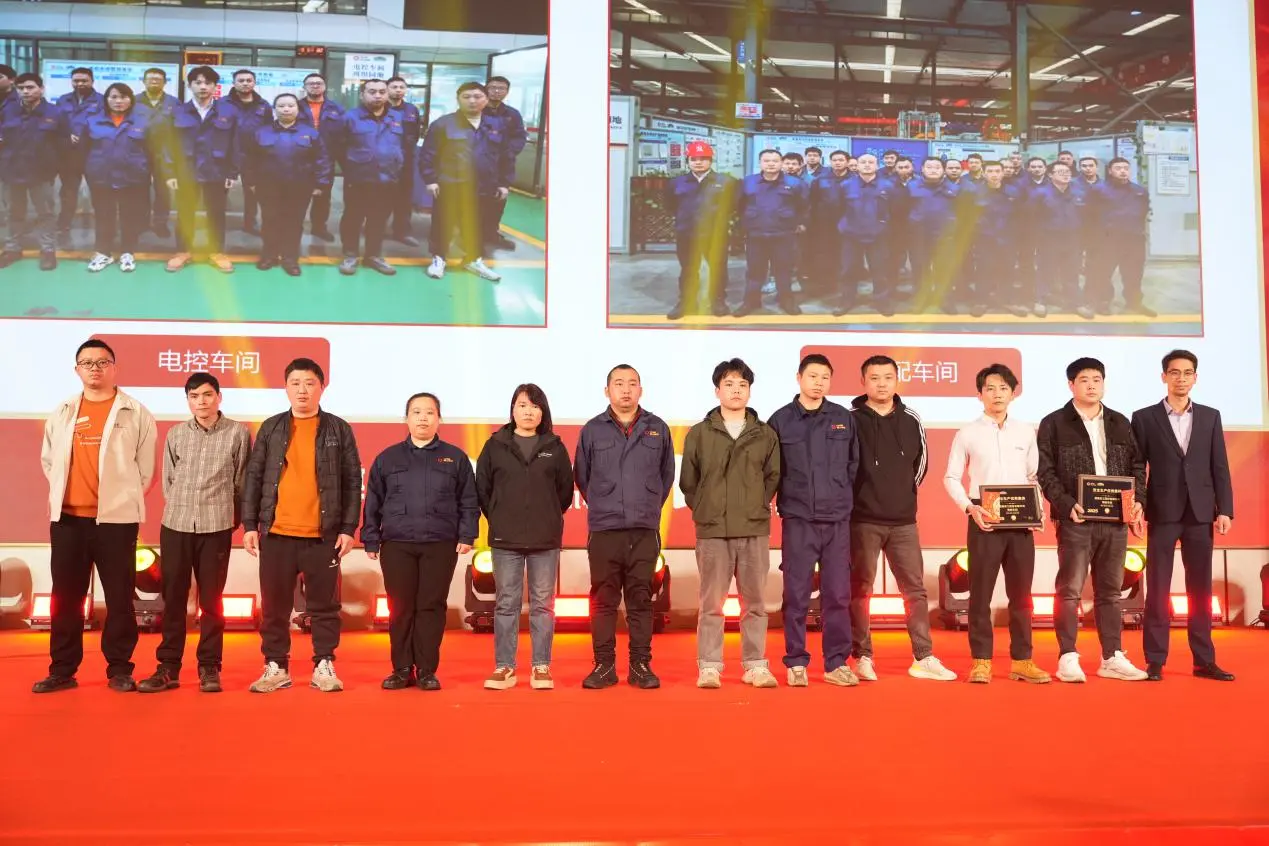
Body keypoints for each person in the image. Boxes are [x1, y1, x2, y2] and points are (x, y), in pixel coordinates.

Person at [33, 339, 157, 694]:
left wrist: (121, 500)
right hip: (68, 520)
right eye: (87, 363)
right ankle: (62, 670)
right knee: (65, 599)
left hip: (116, 523)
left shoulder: (136, 412)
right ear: (77, 370)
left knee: (119, 598)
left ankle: (119, 669)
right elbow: (49, 461)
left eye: (102, 362)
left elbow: (145, 470)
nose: (95, 369)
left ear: (114, 368)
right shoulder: (63, 411)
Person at [241, 357, 362, 694]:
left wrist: (348, 528)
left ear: (322, 387)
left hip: (323, 536)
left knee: (324, 607)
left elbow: (352, 481)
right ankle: (276, 665)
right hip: (277, 533)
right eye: (295, 383)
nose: (302, 390)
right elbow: (254, 477)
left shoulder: (338, 429)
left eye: (309, 383)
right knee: (275, 607)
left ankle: (324, 663)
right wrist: (250, 524)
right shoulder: (271, 428)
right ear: (286, 388)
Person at [137, 373, 250, 695]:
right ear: (188, 400)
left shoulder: (238, 433)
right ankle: (168, 667)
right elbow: (169, 480)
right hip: (177, 524)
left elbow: (241, 481)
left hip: (216, 525)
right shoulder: (176, 433)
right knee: (173, 598)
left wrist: (231, 517)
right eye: (194, 396)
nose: (202, 401)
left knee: (212, 601)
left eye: (207, 394)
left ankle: (209, 666)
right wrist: (183, 507)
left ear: (219, 397)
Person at [1037, 358, 1148, 683]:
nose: (1091, 385)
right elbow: (1045, 471)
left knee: (1110, 592)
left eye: (1097, 379)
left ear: (1104, 383)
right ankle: (1068, 657)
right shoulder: (1054, 422)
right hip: (1076, 519)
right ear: (1071, 385)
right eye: (1084, 380)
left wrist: (1137, 502)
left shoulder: (1119, 421)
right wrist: (1065, 504)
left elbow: (1137, 466)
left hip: (1115, 520)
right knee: (1069, 590)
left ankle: (1112, 656)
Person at [362, 392, 479, 691]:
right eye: (416, 412)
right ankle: (401, 669)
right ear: (406, 418)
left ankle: (427, 670)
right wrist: (371, 538)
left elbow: (468, 500)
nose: (423, 418)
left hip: (440, 543)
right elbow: (373, 501)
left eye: (429, 412)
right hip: (397, 544)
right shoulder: (388, 458)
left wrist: (467, 534)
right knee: (400, 607)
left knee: (431, 606)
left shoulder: (455, 458)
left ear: (439, 418)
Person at [850, 355, 956, 682]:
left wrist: (902, 493)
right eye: (874, 378)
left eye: (887, 377)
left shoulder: (911, 419)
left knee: (914, 591)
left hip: (903, 522)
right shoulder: (850, 419)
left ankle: (923, 656)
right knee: (859, 590)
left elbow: (920, 466)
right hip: (862, 520)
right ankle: (862, 656)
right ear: (863, 382)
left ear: (896, 380)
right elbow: (844, 466)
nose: (881, 384)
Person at [1131, 350, 1235, 683]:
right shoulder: (1144, 418)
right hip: (1162, 511)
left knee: (1200, 590)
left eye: (1187, 373)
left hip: (1201, 512)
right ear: (1164, 376)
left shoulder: (1210, 416)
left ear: (1195, 378)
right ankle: (1155, 660)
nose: (1181, 378)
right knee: (1158, 588)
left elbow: (1219, 465)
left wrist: (1225, 509)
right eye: (1174, 372)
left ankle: (1204, 660)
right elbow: (1137, 467)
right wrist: (1137, 504)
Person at [944, 364, 1050, 685]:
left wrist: (1038, 509)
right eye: (990, 388)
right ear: (980, 394)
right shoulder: (967, 433)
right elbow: (951, 477)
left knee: (1022, 597)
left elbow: (1034, 476)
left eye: (1003, 388)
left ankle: (1022, 661)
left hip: (1021, 521)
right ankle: (981, 661)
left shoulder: (1025, 431)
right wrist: (969, 507)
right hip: (984, 518)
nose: (997, 394)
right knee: (980, 595)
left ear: (1013, 393)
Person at [680, 358, 781, 689]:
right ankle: (709, 665)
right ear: (717, 391)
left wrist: (756, 504)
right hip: (713, 531)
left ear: (750, 391)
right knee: (711, 604)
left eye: (742, 385)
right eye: (729, 384)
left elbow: (773, 477)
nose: (736, 390)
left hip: (753, 529)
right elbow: (689, 482)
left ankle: (755, 664)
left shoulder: (765, 434)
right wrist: (706, 508)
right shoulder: (699, 433)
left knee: (755, 604)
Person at [574, 365, 675, 689]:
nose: (626, 389)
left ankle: (640, 665)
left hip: (644, 529)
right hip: (605, 530)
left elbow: (666, 476)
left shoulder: (657, 428)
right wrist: (606, 503)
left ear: (641, 390)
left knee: (640, 599)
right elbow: (583, 477)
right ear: (608, 391)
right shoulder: (592, 430)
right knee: (603, 600)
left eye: (632, 383)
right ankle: (604, 666)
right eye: (619, 384)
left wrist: (645, 505)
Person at [767, 354, 859, 687]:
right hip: (799, 520)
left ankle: (836, 662)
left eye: (825, 377)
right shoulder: (780, 420)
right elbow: (772, 470)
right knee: (796, 595)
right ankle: (796, 661)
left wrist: (841, 500)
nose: (819, 383)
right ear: (799, 378)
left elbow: (853, 466)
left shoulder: (842, 418)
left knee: (837, 595)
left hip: (836, 521)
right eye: (813, 376)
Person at [476, 383, 574, 691]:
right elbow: (483, 490)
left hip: (545, 539)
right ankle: (504, 667)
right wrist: (501, 516)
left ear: (543, 412)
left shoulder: (554, 447)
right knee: (506, 603)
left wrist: (545, 516)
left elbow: (564, 493)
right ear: (512, 410)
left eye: (534, 405)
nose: (528, 411)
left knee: (543, 605)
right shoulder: (495, 446)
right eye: (522, 405)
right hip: (506, 539)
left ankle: (541, 666)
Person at [419, 81, 511, 283]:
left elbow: (506, 157)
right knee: (444, 223)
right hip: (450, 185)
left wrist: (504, 183)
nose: (472, 101)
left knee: (479, 225)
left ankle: (473, 260)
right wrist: (431, 180)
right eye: (466, 97)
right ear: (458, 99)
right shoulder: (443, 124)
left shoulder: (497, 126)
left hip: (485, 187)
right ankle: (439, 258)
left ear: (486, 99)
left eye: (477, 96)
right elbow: (428, 155)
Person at [241, 92, 332, 277]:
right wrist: (250, 182)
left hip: (299, 187)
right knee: (269, 221)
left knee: (294, 223)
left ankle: (290, 259)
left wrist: (320, 183)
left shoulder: (310, 133)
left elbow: (322, 160)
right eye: (281, 106)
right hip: (268, 186)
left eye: (291, 105)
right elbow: (249, 159)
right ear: (274, 110)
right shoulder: (261, 132)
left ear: (298, 109)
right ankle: (269, 255)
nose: (286, 109)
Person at [164, 65, 239, 274]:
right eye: (197, 83)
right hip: (185, 171)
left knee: (216, 213)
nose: (203, 87)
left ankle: (216, 252)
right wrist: (169, 172)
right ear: (190, 86)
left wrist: (232, 172)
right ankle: (182, 251)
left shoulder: (228, 112)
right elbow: (168, 143)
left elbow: (236, 143)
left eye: (208, 83)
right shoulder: (177, 111)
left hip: (217, 170)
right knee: (185, 213)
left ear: (215, 86)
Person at [330, 79, 403, 277]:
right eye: (372, 92)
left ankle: (373, 255)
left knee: (378, 219)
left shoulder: (397, 118)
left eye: (382, 91)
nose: (377, 95)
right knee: (353, 218)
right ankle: (350, 255)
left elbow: (403, 145)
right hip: (358, 179)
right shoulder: (349, 118)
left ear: (387, 94)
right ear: (362, 95)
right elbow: (338, 147)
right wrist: (352, 168)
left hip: (388, 179)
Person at [0, 72, 70, 271]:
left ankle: (47, 250)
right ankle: (13, 248)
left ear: (41, 89)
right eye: (21, 88)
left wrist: (55, 167)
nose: (25, 91)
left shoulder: (56, 113)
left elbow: (64, 143)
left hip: (41, 173)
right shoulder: (7, 110)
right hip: (11, 171)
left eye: (30, 87)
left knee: (45, 213)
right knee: (13, 212)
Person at [81, 83, 154, 274]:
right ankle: (103, 252)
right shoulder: (92, 121)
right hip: (101, 177)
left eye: (123, 97)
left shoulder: (142, 122)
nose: (118, 101)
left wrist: (148, 173)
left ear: (131, 100)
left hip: (133, 178)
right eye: (113, 97)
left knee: (130, 216)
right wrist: (88, 173)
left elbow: (152, 151)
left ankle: (128, 252)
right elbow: (83, 150)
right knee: (103, 215)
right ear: (106, 100)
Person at [665, 139, 734, 319]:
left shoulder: (726, 182)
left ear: (711, 160)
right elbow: (670, 205)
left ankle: (718, 301)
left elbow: (734, 205)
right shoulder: (677, 183)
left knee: (718, 268)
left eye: (703, 158)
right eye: (694, 159)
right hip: (687, 233)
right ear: (688, 161)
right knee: (688, 268)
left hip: (715, 235)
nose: (698, 162)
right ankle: (686, 301)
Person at [735, 149, 807, 317]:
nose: (771, 164)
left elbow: (804, 206)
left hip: (783, 234)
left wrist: (799, 223)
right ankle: (751, 301)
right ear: (760, 163)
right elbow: (739, 205)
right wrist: (747, 224)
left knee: (783, 270)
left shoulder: (795, 183)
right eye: (766, 161)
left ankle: (786, 300)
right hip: (756, 234)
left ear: (781, 163)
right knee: (754, 271)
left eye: (775, 161)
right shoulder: (748, 182)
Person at [1091, 157, 1155, 317]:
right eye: (1118, 168)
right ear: (1110, 171)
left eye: (1126, 168)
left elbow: (1143, 212)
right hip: (1108, 240)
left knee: (1134, 274)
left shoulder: (1139, 191)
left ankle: (1134, 303)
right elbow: (1090, 215)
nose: (1123, 171)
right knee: (1103, 273)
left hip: (1134, 239)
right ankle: (1103, 302)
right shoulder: (1098, 190)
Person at [1029, 161, 1092, 319]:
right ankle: (1040, 301)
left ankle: (1076, 303)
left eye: (1067, 171)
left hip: (1073, 239)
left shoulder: (1079, 193)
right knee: (1045, 271)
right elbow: (1030, 217)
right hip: (1048, 239)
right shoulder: (1040, 194)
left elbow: (1087, 217)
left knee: (1072, 272)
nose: (1065, 174)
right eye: (1060, 172)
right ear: (1050, 175)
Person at [969, 161, 1027, 317]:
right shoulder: (974, 192)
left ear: (1002, 173)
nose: (994, 174)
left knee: (1008, 269)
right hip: (984, 239)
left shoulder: (1014, 192)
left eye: (997, 171)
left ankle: (1008, 300)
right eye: (990, 171)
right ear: (984, 173)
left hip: (1008, 238)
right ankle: (981, 301)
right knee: (984, 269)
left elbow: (1021, 215)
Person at [836, 152, 891, 316]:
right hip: (851, 236)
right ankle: (846, 300)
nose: (867, 165)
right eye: (863, 162)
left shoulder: (887, 185)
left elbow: (894, 210)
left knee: (880, 270)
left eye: (871, 162)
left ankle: (882, 302)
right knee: (848, 270)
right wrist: (844, 227)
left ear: (877, 166)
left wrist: (884, 227)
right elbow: (837, 208)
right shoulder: (845, 185)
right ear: (856, 166)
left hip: (878, 236)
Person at [55, 66, 105, 237]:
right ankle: (64, 223)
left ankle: (103, 223)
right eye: (76, 80)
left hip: (93, 154)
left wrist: (87, 136)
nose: (80, 84)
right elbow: (57, 124)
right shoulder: (63, 100)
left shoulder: (102, 101)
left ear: (92, 81)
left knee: (99, 191)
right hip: (69, 155)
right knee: (68, 192)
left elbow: (105, 124)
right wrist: (66, 136)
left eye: (84, 80)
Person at [223, 69, 273, 235]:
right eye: (241, 80)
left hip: (253, 155)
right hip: (227, 154)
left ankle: (250, 223)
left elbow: (269, 130)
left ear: (254, 83)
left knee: (252, 191)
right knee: (220, 191)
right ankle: (216, 222)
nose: (245, 83)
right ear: (234, 83)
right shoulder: (222, 104)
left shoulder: (263, 105)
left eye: (249, 80)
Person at [904, 157, 958, 308]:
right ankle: (921, 299)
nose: (933, 170)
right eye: (929, 167)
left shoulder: (954, 189)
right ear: (922, 169)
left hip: (944, 236)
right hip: (919, 236)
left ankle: (945, 299)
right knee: (920, 269)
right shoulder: (911, 187)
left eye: (937, 167)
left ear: (943, 170)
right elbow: (903, 209)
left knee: (944, 268)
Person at [482, 75, 528, 252]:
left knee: (498, 201)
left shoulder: (512, 115)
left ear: (507, 92)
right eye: (493, 87)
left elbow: (519, 137)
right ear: (486, 89)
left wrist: (509, 153)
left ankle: (491, 234)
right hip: (479, 164)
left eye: (501, 88)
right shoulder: (477, 110)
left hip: (502, 166)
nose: (496, 91)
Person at [133, 67, 180, 238]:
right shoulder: (134, 101)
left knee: (163, 191)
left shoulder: (174, 103)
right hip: (139, 152)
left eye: (158, 79)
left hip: (164, 152)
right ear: (143, 81)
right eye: (150, 79)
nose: (154, 82)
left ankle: (161, 224)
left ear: (165, 82)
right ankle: (141, 222)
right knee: (139, 189)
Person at [296, 73, 343, 241]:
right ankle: (294, 227)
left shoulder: (336, 108)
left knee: (323, 196)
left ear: (324, 86)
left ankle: (319, 227)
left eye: (319, 83)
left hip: (326, 157)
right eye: (311, 83)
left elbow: (343, 133)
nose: (315, 86)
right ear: (304, 87)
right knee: (297, 195)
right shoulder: (296, 106)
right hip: (299, 156)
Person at [805, 150, 850, 299]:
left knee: (846, 254)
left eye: (841, 160)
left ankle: (846, 286)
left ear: (847, 162)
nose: (838, 163)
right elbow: (813, 201)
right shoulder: (820, 180)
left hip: (847, 223)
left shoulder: (854, 179)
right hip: (824, 224)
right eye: (834, 160)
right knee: (825, 254)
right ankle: (827, 284)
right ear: (830, 162)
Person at [385, 76, 422, 247]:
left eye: (401, 87)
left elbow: (415, 134)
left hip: (406, 161)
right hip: (384, 161)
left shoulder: (412, 110)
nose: (398, 90)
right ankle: (376, 228)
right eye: (394, 87)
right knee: (380, 197)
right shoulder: (380, 108)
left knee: (404, 198)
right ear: (387, 89)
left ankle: (402, 232)